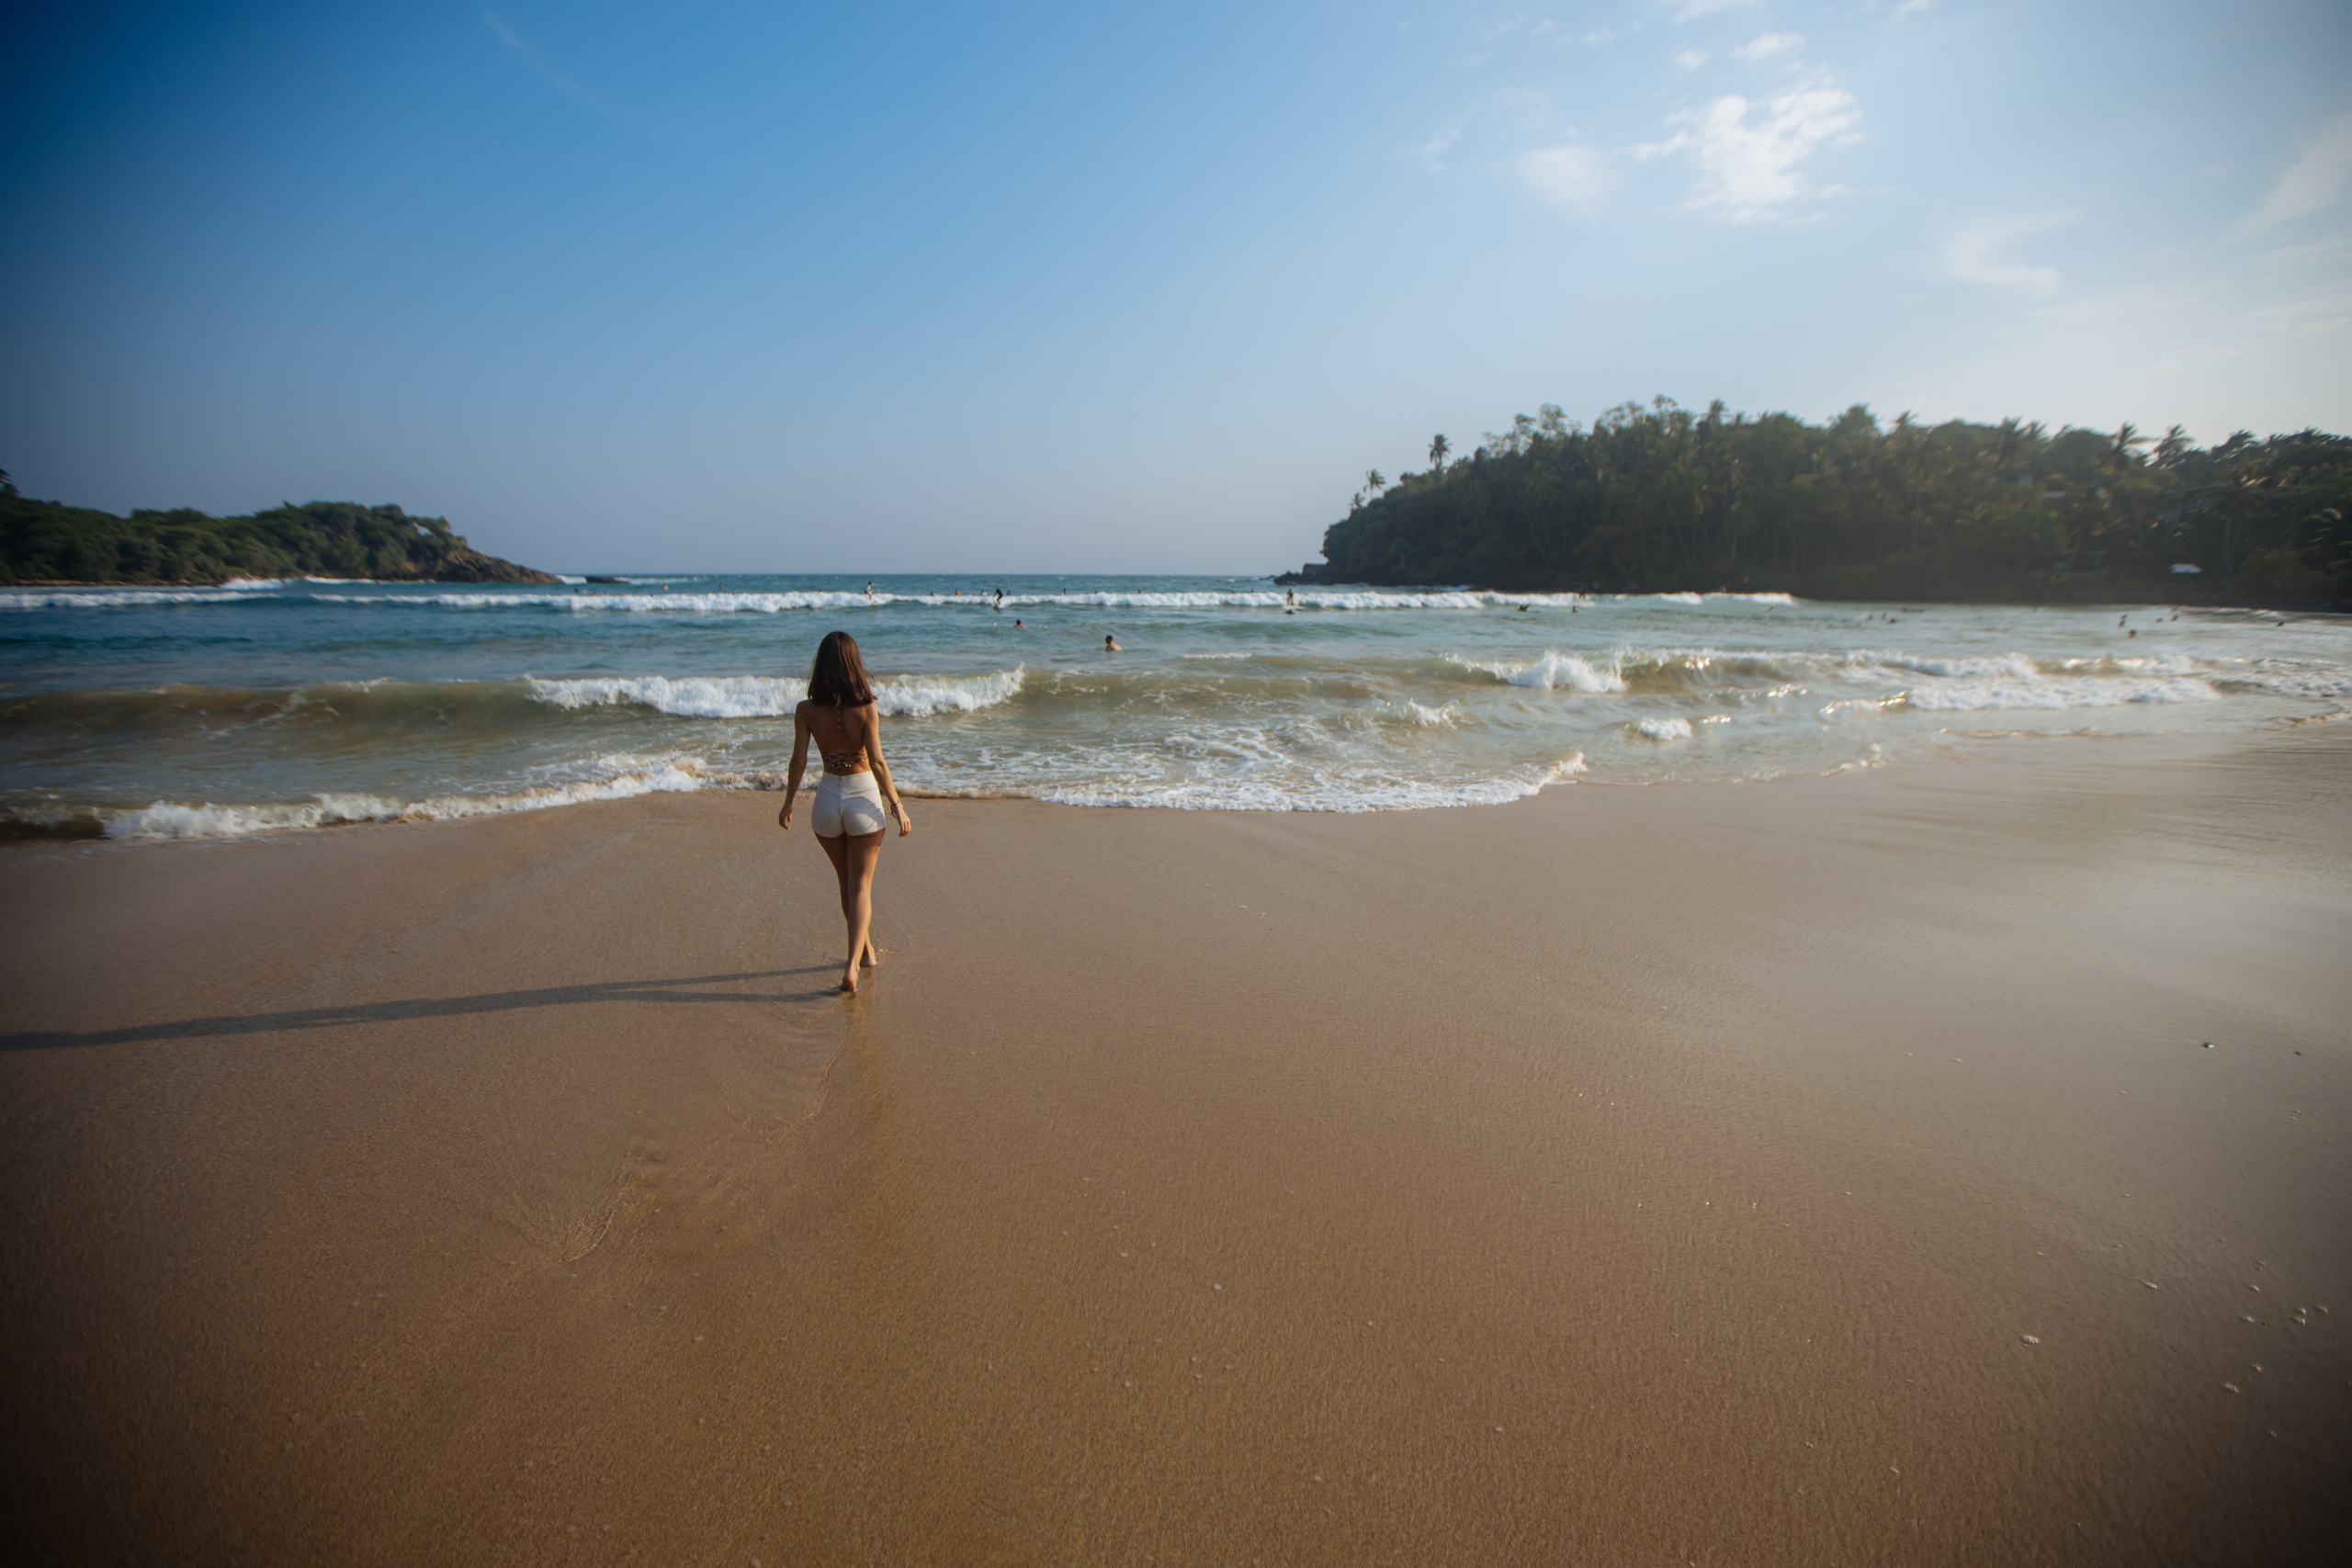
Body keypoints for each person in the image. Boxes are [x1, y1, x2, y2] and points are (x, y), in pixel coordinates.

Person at [778, 631, 912, 994]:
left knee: (845, 881)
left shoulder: (805, 710)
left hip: (826, 801)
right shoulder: (866, 709)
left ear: (821, 666)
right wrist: (897, 805)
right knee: (861, 886)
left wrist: (788, 802)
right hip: (862, 798)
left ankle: (866, 952)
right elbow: (878, 763)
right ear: (855, 665)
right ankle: (852, 965)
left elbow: (798, 761)